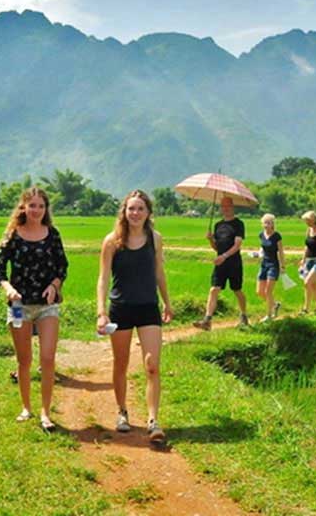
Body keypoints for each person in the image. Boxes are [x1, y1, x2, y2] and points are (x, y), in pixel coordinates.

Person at [96, 190, 173, 444]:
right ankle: (122, 412)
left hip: (148, 307)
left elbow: (159, 272)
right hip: (121, 308)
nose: (135, 213)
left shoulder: (155, 239)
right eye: (131, 209)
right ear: (124, 212)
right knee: (121, 363)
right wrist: (101, 312)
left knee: (152, 365)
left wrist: (167, 302)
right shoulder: (112, 241)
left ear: (148, 213)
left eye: (140, 209)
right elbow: (103, 278)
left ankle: (153, 420)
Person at [0, 187, 68, 432]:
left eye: (41, 206)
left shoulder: (52, 234)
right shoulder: (12, 235)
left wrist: (54, 285)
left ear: (46, 210)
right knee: (24, 360)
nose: (36, 210)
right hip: (19, 307)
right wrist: (8, 289)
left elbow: (62, 266)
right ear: (23, 207)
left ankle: (46, 412)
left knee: (47, 358)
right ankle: (26, 407)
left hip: (47, 306)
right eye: (32, 205)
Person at [194, 196, 247, 330]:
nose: (225, 209)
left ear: (232, 207)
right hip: (220, 263)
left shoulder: (238, 224)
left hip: (233, 262)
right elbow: (217, 247)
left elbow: (237, 245)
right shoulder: (218, 225)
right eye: (223, 206)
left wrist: (224, 256)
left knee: (237, 290)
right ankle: (207, 320)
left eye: (228, 206)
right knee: (214, 289)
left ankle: (244, 315)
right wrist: (211, 240)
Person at [254, 213, 285, 322]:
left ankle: (269, 315)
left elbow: (281, 251)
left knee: (268, 291)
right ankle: (275, 305)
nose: (267, 225)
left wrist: (282, 265)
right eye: (265, 223)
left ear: (273, 224)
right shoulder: (261, 235)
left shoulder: (277, 236)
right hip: (264, 264)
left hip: (273, 265)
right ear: (262, 224)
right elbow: (262, 248)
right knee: (259, 291)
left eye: (269, 223)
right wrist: (258, 253)